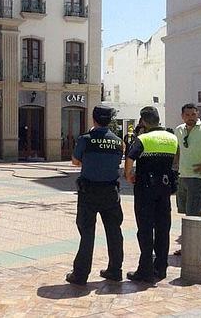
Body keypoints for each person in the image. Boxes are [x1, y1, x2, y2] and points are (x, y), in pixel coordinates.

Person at [65, 106, 124, 285]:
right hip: (111, 192)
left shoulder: (85, 139)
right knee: (114, 232)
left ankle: (80, 274)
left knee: (87, 233)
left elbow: (75, 161)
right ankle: (115, 270)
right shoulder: (118, 141)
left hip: (89, 192)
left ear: (94, 119)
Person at [125, 106, 178, 282]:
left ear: (144, 121)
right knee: (163, 228)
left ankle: (145, 269)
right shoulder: (172, 138)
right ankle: (161, 268)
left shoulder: (143, 139)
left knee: (145, 229)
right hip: (165, 187)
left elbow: (130, 158)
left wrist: (128, 175)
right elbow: (176, 160)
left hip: (145, 188)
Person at [173, 103, 201, 255]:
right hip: (183, 176)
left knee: (194, 214)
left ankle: (193, 248)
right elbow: (178, 148)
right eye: (187, 115)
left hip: (198, 178)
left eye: (193, 114)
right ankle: (189, 244)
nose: (190, 118)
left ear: (197, 114)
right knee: (187, 212)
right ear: (182, 116)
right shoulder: (179, 130)